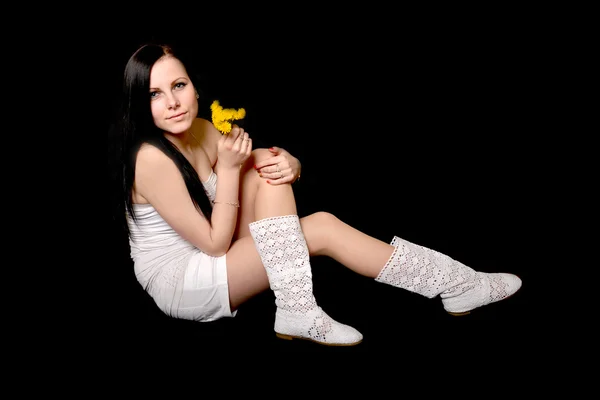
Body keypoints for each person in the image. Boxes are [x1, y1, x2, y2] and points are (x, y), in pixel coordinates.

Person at [107, 42, 522, 347]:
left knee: (269, 171)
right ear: (138, 103)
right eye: (154, 94)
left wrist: (292, 163)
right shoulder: (151, 158)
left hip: (219, 242)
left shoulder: (199, 129)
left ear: (195, 86)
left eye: (179, 85)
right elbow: (215, 246)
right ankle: (450, 284)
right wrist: (231, 171)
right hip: (184, 278)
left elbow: (258, 165)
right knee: (319, 229)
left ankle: (453, 284)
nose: (173, 102)